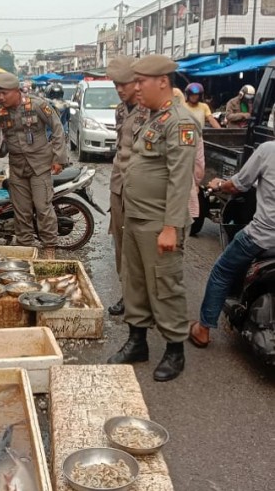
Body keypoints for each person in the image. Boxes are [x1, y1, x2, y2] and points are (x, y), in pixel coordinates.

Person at [107, 55, 198, 382]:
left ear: (162, 81)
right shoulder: (152, 118)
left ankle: (175, 351)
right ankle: (137, 342)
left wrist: (171, 227)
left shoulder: (180, 122)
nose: (136, 88)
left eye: (141, 81)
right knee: (135, 282)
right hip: (135, 217)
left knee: (165, 286)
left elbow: (179, 178)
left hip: (160, 223)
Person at [189, 141, 275, 347]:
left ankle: (202, 330)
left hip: (263, 237)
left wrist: (218, 185)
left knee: (222, 271)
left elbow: (237, 185)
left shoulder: (268, 150)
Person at [0, 72, 69, 260]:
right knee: (21, 211)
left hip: (40, 165)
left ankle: (49, 247)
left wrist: (58, 158)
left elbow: (57, 128)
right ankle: (24, 249)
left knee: (43, 208)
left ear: (16, 91)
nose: (0, 97)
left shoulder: (37, 105)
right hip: (17, 167)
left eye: (4, 93)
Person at [105, 56, 149, 316]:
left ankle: (146, 301)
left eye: (125, 84)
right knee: (121, 246)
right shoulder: (121, 110)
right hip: (118, 186)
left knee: (143, 247)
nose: (120, 89)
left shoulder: (152, 110)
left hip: (141, 190)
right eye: (116, 84)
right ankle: (127, 294)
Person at [183, 82, 221, 221]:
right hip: (185, 141)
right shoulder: (182, 106)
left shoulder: (204, 107)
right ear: (187, 95)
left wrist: (222, 133)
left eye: (197, 95)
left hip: (198, 140)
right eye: (192, 95)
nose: (194, 97)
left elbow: (211, 120)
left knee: (198, 166)